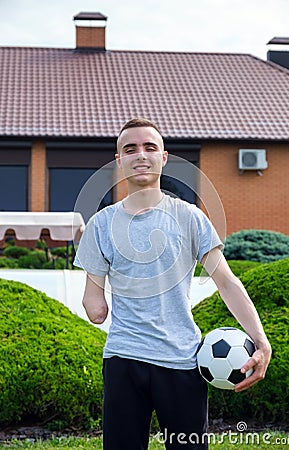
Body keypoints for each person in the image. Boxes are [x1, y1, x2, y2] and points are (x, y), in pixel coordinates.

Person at [74, 118, 271, 450]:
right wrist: (97, 301)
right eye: (130, 148)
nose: (140, 155)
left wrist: (261, 341)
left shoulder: (190, 217)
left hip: (183, 362)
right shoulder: (100, 224)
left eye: (149, 147)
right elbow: (94, 308)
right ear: (119, 160)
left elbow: (226, 281)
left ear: (163, 158)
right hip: (124, 361)